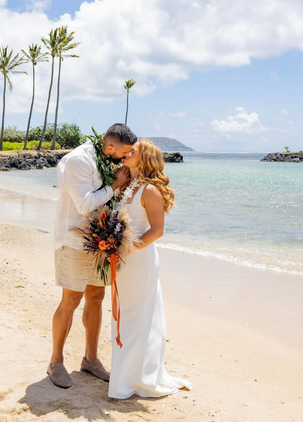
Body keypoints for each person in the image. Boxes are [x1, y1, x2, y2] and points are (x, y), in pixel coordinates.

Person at [48, 123, 138, 389]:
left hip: (99, 240)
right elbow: (85, 203)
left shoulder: (104, 159)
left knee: (96, 298)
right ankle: (55, 362)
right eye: (122, 153)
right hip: (74, 242)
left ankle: (90, 359)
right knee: (71, 300)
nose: (123, 158)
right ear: (109, 147)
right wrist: (117, 183)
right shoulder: (78, 160)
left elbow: (107, 200)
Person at [108, 139, 194, 399]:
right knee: (122, 315)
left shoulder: (150, 190)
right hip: (121, 259)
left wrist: (126, 249)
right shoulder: (123, 185)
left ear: (144, 159)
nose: (126, 153)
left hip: (140, 259)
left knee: (140, 317)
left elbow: (157, 230)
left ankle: (136, 379)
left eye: (132, 151)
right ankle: (124, 375)